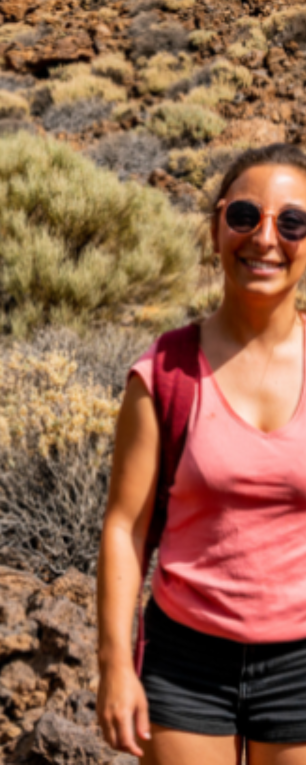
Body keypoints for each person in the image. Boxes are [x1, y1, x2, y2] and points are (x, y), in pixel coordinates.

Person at [98, 144, 306, 762]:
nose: (265, 238)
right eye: (245, 215)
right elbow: (124, 526)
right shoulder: (164, 371)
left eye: (292, 223)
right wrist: (114, 664)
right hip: (185, 661)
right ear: (217, 228)